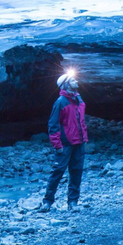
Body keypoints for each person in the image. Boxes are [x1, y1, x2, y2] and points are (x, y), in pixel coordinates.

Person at [39, 71, 88, 212]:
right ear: (66, 85)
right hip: (65, 144)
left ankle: (73, 203)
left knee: (76, 171)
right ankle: (47, 201)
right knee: (58, 172)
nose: (76, 81)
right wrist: (57, 144)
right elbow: (53, 124)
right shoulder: (60, 102)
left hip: (79, 142)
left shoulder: (78, 99)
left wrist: (84, 138)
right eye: (72, 80)